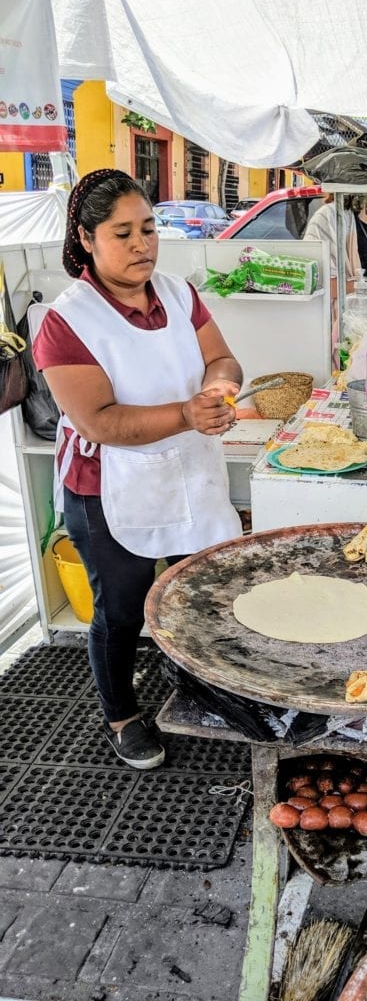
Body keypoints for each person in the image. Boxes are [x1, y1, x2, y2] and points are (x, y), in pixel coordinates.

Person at [32, 169, 243, 770]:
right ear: (87, 239)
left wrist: (221, 389)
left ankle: (201, 689)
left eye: (148, 228)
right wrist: (186, 411)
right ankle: (122, 715)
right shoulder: (66, 321)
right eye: (121, 233)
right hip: (108, 489)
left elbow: (221, 358)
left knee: (198, 595)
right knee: (121, 612)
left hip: (189, 472)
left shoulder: (178, 294)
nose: (142, 244)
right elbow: (98, 421)